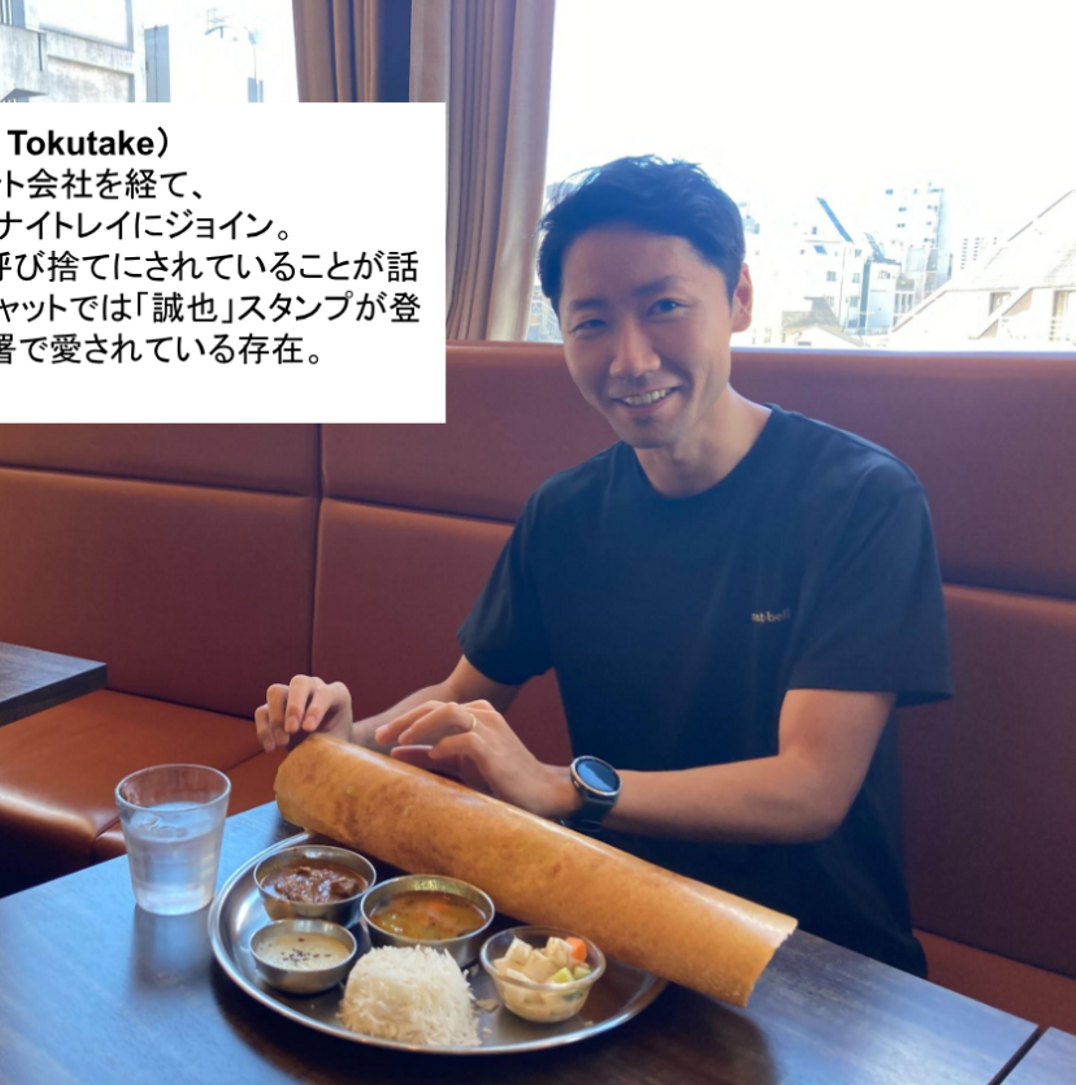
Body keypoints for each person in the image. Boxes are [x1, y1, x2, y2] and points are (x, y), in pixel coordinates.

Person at [252, 155, 952, 976]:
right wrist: (347, 738)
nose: (631, 359)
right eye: (591, 323)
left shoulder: (861, 498)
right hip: (612, 923)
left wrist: (565, 787)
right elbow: (460, 700)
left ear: (739, 298)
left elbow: (811, 787)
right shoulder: (566, 513)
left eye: (665, 307)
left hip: (817, 955)